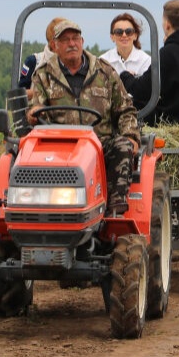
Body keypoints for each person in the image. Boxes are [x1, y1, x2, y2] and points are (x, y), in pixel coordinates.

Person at [27, 19, 140, 214]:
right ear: (55, 46)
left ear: (82, 41)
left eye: (75, 38)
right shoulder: (43, 75)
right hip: (59, 149)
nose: (71, 43)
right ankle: (39, 209)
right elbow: (36, 107)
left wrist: (131, 135)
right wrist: (34, 113)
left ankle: (115, 209)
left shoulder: (104, 72)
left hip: (99, 145)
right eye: (65, 40)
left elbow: (125, 109)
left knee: (123, 145)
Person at [100, 12, 152, 108]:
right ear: (112, 37)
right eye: (119, 32)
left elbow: (147, 93)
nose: (124, 35)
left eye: (129, 31)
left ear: (135, 36)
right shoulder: (103, 61)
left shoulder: (147, 61)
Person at [18, 16, 67, 94]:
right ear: (53, 43)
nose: (71, 44)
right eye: (65, 39)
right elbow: (20, 94)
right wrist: (43, 94)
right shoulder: (34, 62)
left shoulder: (82, 64)